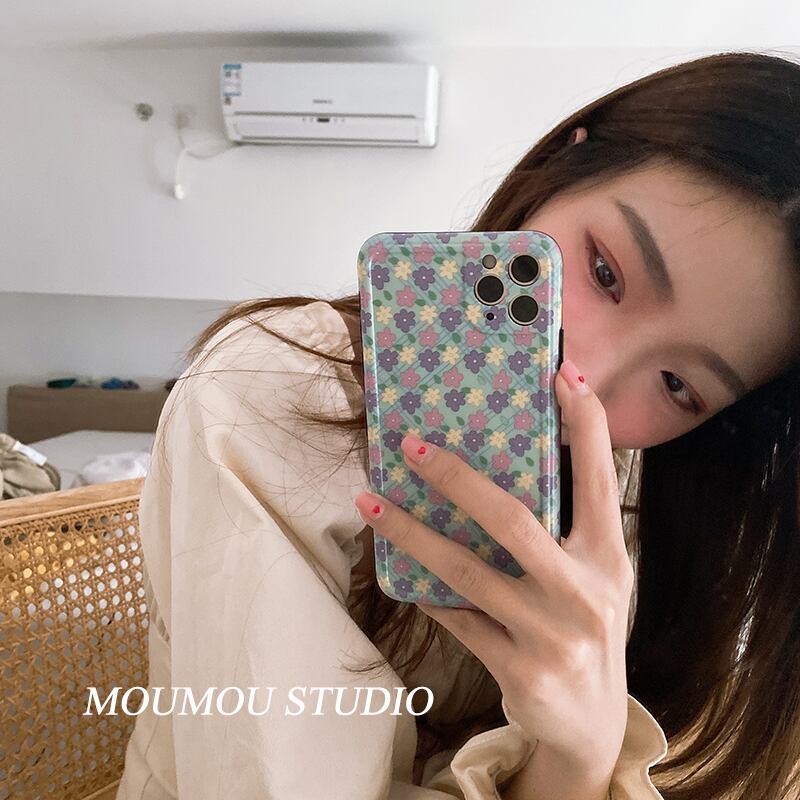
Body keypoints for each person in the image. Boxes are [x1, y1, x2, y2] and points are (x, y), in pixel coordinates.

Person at [116, 50, 800, 799]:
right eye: (605, 272)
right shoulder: (276, 392)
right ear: (559, 171)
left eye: (678, 385)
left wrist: (580, 749)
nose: (585, 379)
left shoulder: (630, 482)